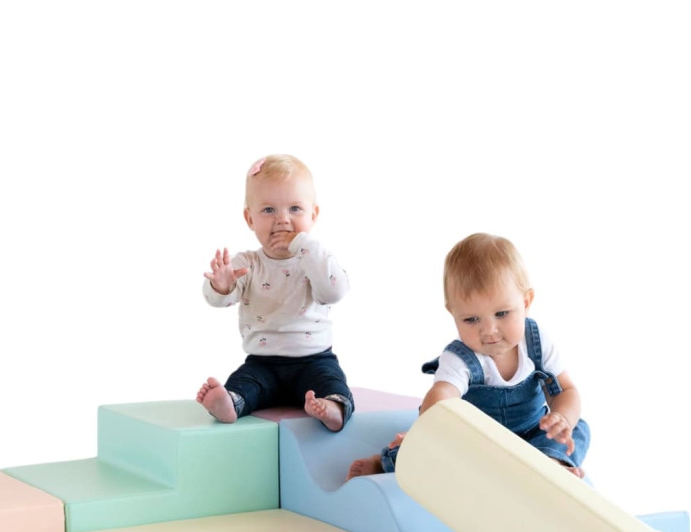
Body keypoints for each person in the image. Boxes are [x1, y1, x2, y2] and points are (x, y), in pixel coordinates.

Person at [347, 233, 590, 479]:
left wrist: (562, 418)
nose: (489, 330)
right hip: (477, 444)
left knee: (578, 427)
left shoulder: (536, 342)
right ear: (453, 313)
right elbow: (442, 395)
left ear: (526, 302)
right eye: (471, 319)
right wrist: (425, 430)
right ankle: (388, 462)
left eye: (502, 314)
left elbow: (566, 390)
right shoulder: (460, 358)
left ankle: (550, 464)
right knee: (437, 439)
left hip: (531, 438)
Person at [197, 154, 354, 431]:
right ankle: (231, 403)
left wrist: (304, 245)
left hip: (315, 360)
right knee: (245, 383)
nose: (282, 220)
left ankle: (333, 407)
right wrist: (221, 285)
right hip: (262, 364)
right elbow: (219, 299)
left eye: (295, 209)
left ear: (313, 215)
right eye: (269, 210)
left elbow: (335, 292)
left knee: (331, 383)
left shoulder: (316, 259)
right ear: (250, 218)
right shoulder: (247, 263)